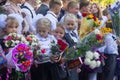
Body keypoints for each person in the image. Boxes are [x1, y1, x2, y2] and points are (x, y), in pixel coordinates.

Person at [0, 15, 19, 80]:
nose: (14, 29)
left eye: (16, 27)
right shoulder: (2, 41)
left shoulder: (19, 39)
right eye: (11, 27)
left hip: (17, 68)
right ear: (4, 28)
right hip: (6, 69)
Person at [63, 13, 80, 80]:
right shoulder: (64, 35)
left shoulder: (74, 34)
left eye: (72, 24)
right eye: (68, 24)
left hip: (75, 61)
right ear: (64, 24)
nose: (70, 26)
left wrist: (78, 65)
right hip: (68, 62)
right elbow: (64, 50)